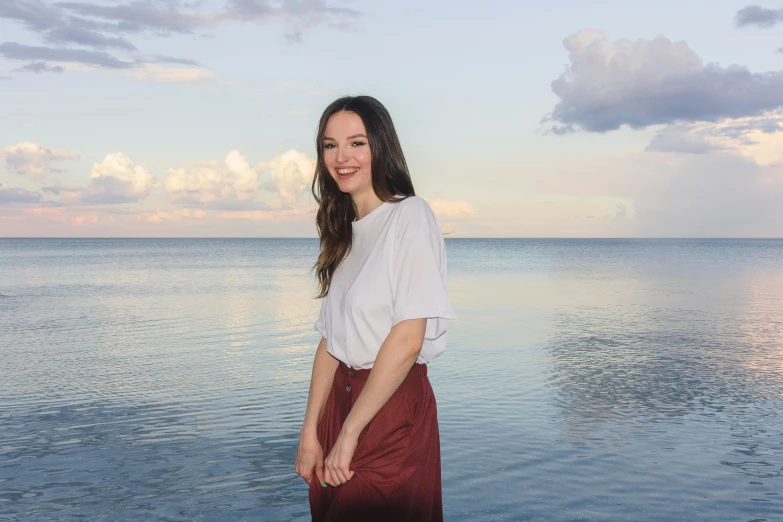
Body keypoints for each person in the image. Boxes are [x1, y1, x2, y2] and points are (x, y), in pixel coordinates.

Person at [294, 95, 457, 522]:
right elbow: (330, 343)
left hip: (389, 409)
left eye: (357, 143)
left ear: (381, 147)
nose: (342, 157)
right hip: (339, 406)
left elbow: (407, 338)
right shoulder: (345, 234)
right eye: (330, 145)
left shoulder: (410, 216)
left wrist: (351, 433)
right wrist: (310, 431)